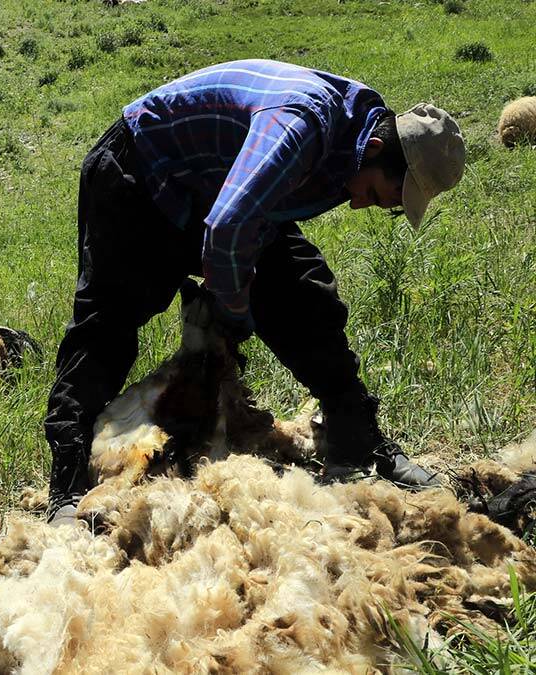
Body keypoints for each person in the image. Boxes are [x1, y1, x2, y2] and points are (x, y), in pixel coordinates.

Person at [45, 59, 466, 523]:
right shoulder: (303, 125)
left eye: (391, 207)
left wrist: (246, 294)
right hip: (142, 175)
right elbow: (227, 228)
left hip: (219, 187)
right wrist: (233, 307)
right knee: (107, 323)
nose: (371, 204)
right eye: (385, 193)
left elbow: (247, 213)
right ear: (379, 148)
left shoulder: (357, 143)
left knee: (307, 300)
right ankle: (65, 486)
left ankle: (358, 441)